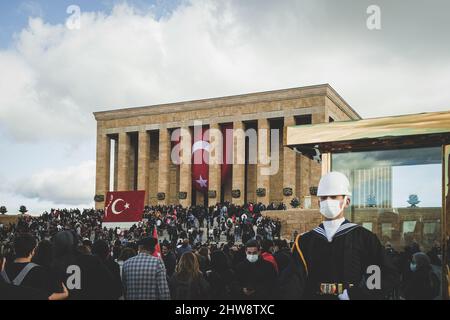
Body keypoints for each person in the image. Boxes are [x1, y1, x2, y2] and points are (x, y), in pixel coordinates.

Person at [291, 172, 399, 300]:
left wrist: (356, 294)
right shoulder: (305, 241)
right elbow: (293, 282)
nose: (327, 201)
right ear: (319, 203)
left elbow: (386, 274)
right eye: (323, 198)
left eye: (333, 197)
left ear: (347, 201)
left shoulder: (365, 238)